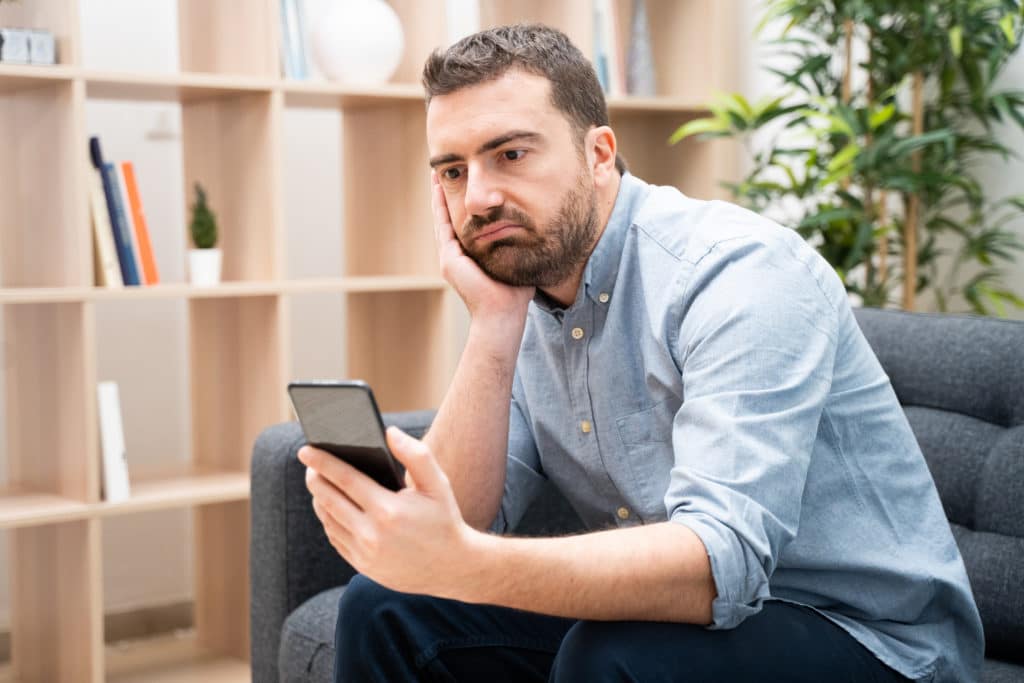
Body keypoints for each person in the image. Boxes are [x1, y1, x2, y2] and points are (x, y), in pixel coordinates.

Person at [298, 24, 983, 682]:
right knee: (382, 608)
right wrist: (492, 326)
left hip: (872, 637)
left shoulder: (736, 271)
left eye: (510, 154)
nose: (478, 198)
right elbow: (459, 521)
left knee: (614, 655)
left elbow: (721, 562)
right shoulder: (526, 282)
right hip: (687, 623)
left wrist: (469, 563)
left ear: (599, 154)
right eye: (453, 169)